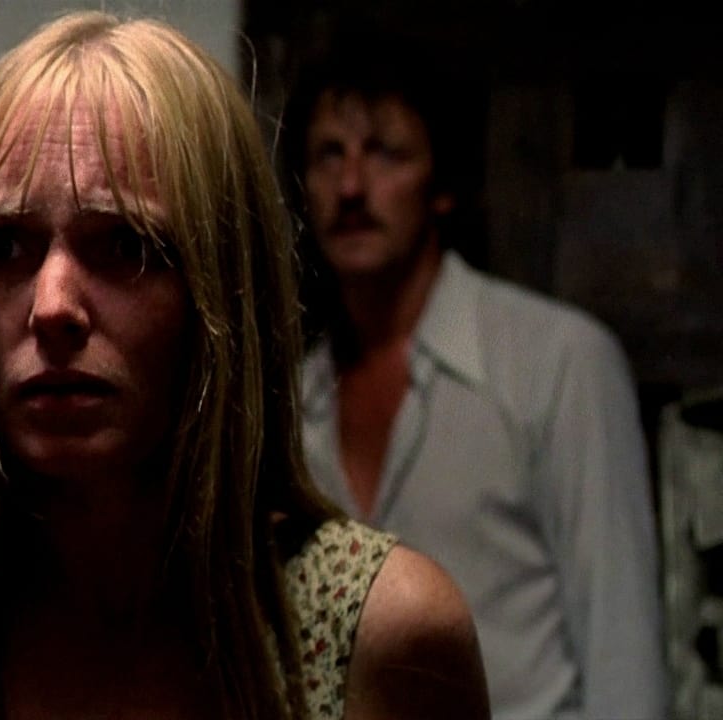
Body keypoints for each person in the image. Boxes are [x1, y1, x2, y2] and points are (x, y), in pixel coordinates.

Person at [0, 11, 489, 720]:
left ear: (224, 290)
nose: (51, 306)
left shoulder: (375, 638)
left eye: (126, 246)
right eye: (3, 248)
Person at [284, 36, 667, 719]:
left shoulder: (559, 361)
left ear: (441, 185)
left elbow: (624, 653)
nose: (351, 187)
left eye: (386, 154)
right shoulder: (295, 394)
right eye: (329, 155)